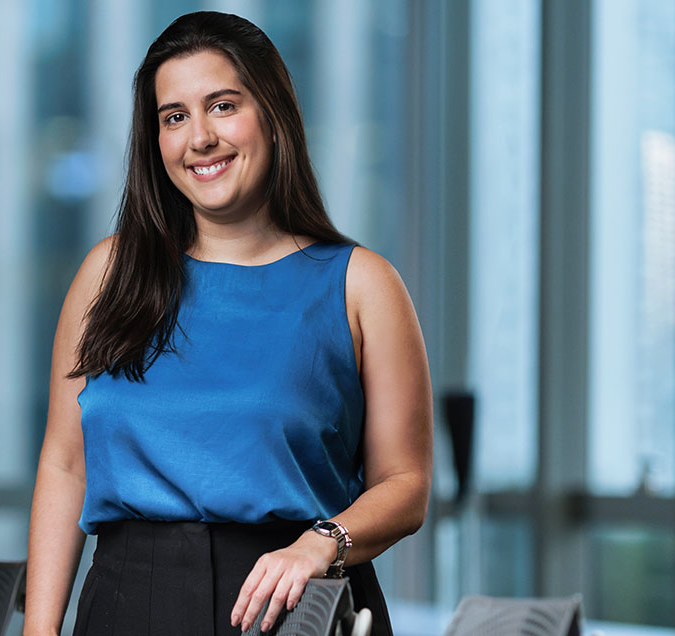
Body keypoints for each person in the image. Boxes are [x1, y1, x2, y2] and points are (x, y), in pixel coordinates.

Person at [23, 10, 432, 636]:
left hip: (295, 601)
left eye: (222, 105)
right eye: (175, 116)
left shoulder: (361, 283)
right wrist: (38, 632)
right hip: (129, 602)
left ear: (272, 112)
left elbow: (405, 483)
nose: (200, 138)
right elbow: (64, 465)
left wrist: (323, 543)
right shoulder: (109, 272)